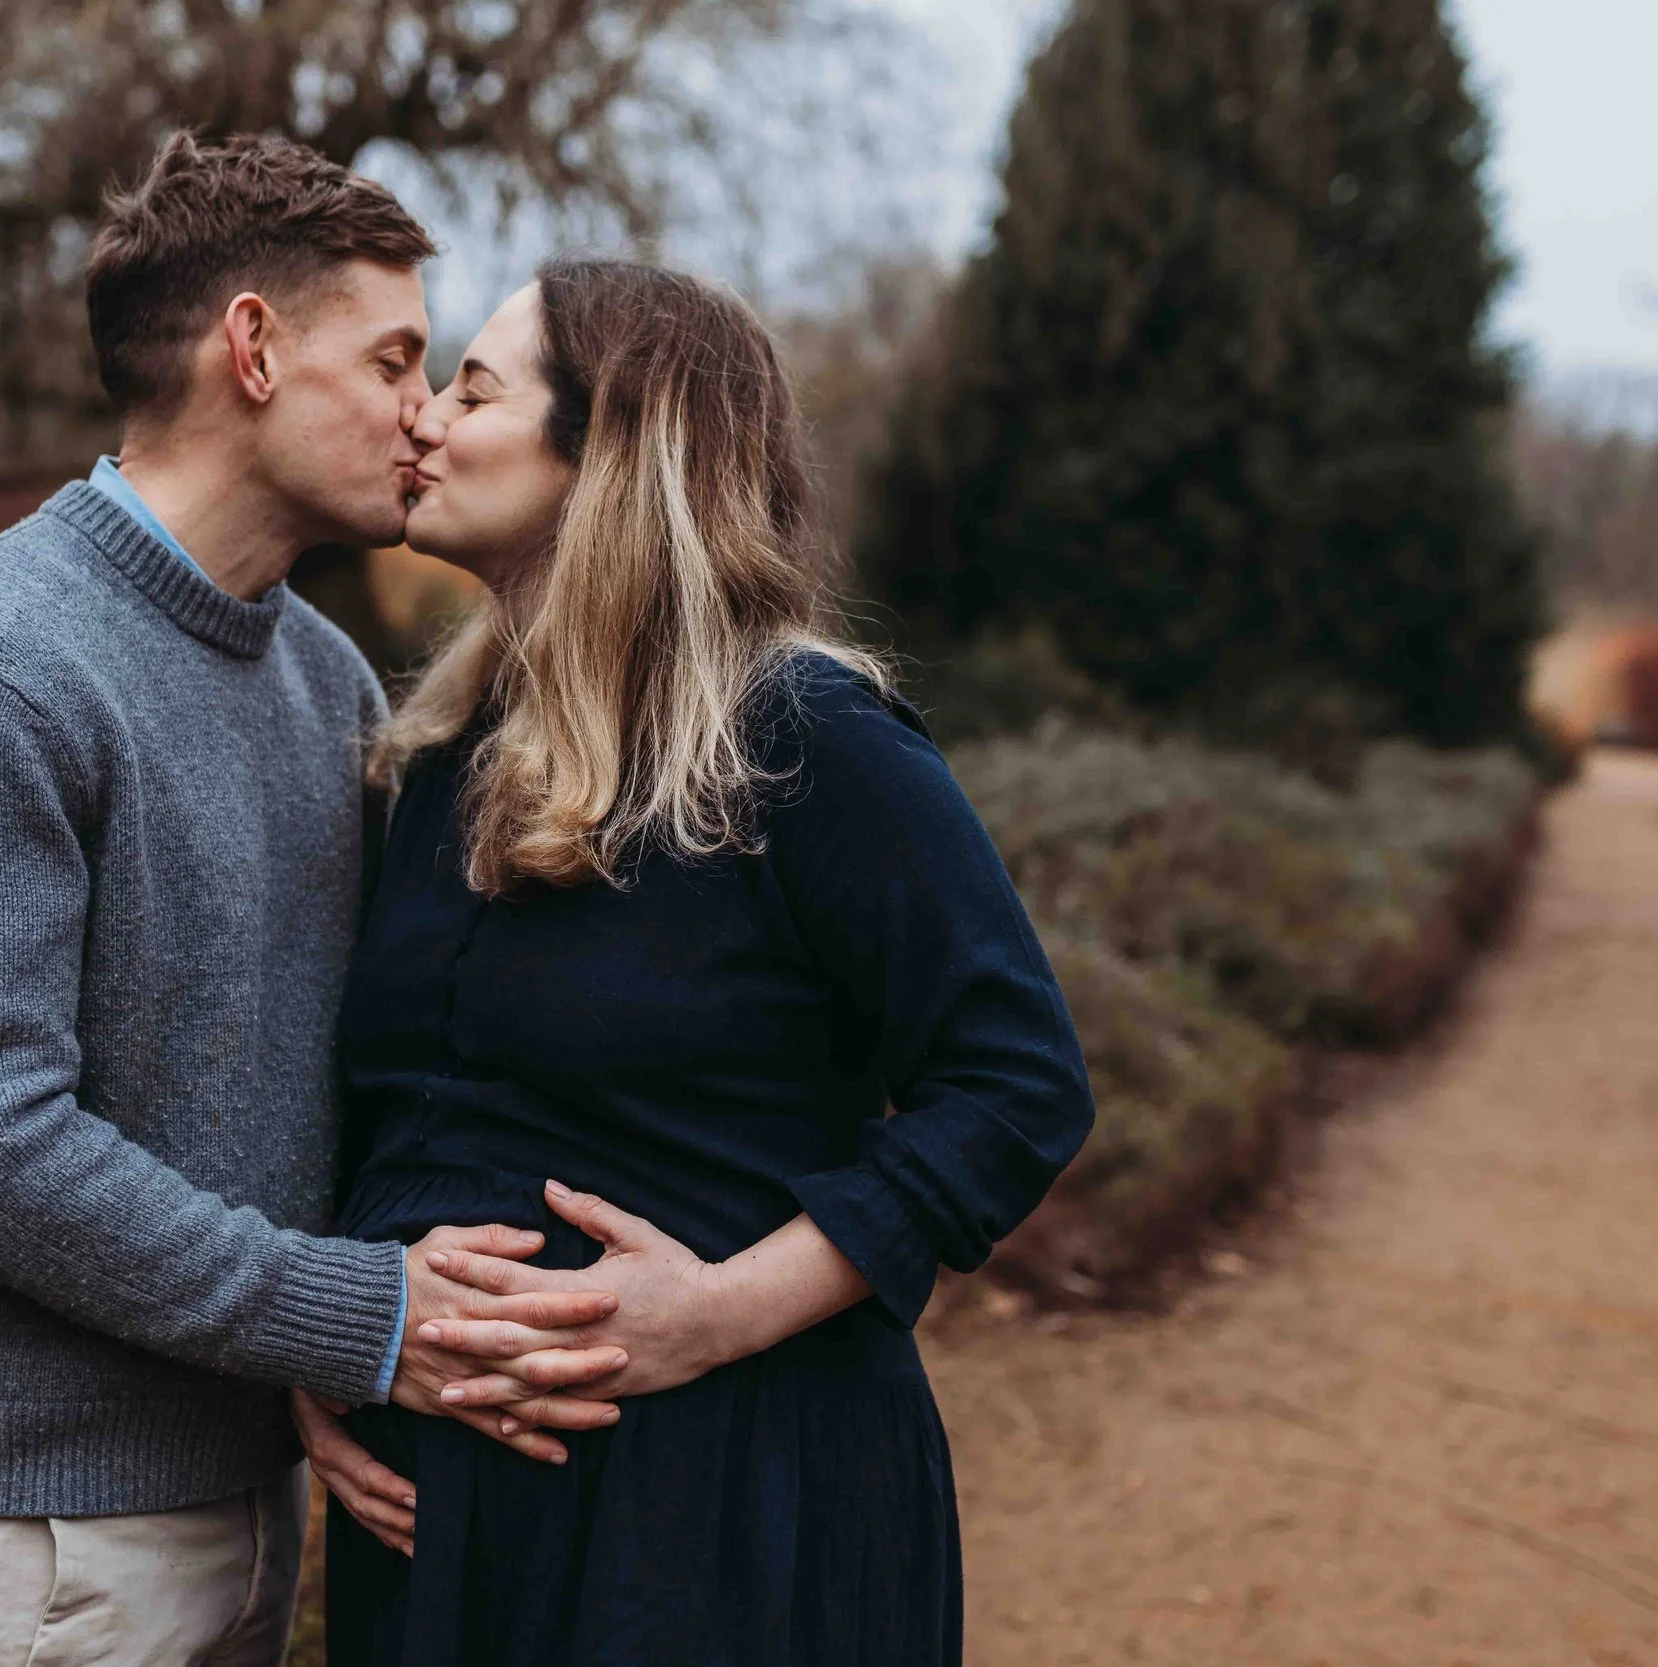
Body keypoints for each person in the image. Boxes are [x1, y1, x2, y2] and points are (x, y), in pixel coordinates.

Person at [0, 137, 634, 1667]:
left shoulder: (319, 676)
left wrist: (326, 1350)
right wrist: (355, 1312)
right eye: (393, 356)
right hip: (38, 1546)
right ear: (251, 348)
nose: (424, 410)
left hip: (250, 1485)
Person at [296, 260, 1098, 1666]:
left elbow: (1018, 1084)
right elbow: (409, 1113)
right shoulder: (444, 759)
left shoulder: (805, 739)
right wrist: (336, 1338)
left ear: (609, 452)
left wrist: (719, 1312)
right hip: (449, 1537)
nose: (421, 416)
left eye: (474, 388)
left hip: (722, 1517)